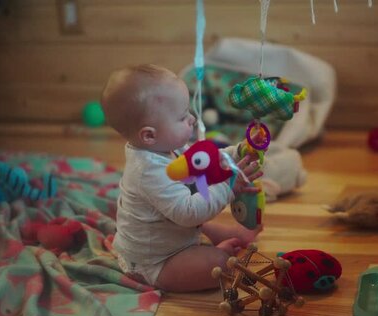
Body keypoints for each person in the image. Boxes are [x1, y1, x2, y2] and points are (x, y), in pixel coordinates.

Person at [101, 64, 262, 292]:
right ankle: (212, 251)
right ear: (149, 135)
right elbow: (187, 214)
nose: (193, 119)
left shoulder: (166, 147)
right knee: (220, 265)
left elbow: (208, 161)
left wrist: (239, 151)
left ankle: (218, 240)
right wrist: (228, 187)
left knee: (201, 212)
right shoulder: (148, 171)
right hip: (155, 262)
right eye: (182, 117)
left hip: (175, 232)